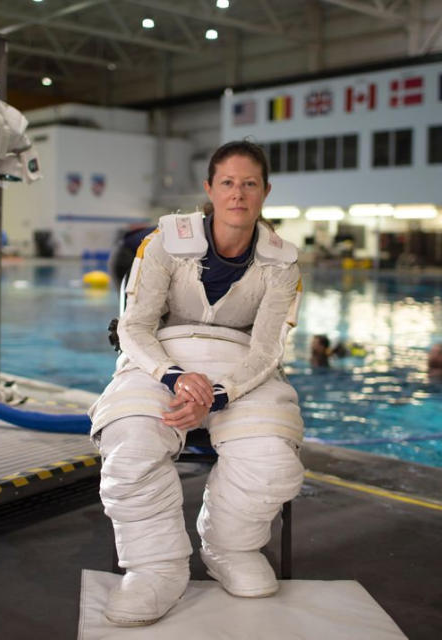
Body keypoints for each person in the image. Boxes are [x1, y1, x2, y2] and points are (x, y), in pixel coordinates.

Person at [89, 140, 305, 626]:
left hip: (241, 368)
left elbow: (268, 349)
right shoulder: (163, 243)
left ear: (265, 192)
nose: (238, 194)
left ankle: (229, 547)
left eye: (250, 184)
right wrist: (176, 377)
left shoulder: (282, 264)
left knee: (274, 459)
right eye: (228, 182)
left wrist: (220, 391)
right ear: (210, 189)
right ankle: (155, 568)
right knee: (130, 443)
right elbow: (134, 326)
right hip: (162, 359)